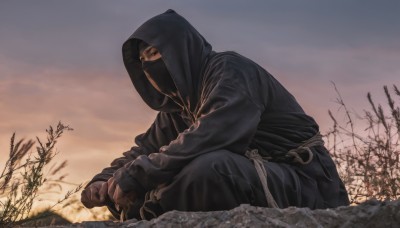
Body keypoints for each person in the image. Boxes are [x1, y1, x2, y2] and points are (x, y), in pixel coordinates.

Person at [81, 9, 349, 220]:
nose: (150, 66)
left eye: (154, 53)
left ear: (180, 48)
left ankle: (148, 207)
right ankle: (148, 203)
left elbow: (214, 135)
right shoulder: (179, 105)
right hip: (260, 176)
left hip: (307, 185)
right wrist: (106, 179)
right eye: (143, 61)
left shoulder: (229, 71)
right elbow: (147, 148)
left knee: (211, 167)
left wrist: (137, 177)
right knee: (171, 172)